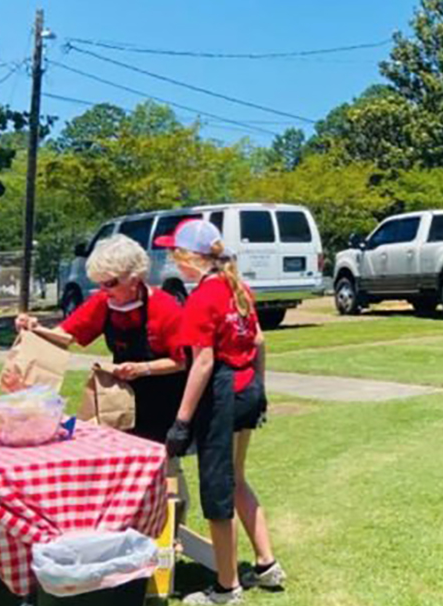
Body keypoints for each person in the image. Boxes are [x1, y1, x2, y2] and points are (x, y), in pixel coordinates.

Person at [158, 220, 282, 605]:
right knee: (237, 477)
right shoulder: (237, 287)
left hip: (224, 396)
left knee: (217, 489)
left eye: (175, 254)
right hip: (247, 390)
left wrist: (181, 421)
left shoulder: (202, 298)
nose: (172, 261)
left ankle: (226, 588)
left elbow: (203, 362)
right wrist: (260, 388)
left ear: (191, 258)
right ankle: (267, 564)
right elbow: (258, 340)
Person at [6, 234, 187, 443]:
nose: (104, 291)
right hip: (122, 397)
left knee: (165, 465)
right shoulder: (103, 302)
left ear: (135, 278)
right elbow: (63, 336)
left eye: (110, 283)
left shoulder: (165, 308)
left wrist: (144, 368)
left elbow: (183, 362)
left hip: (164, 397)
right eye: (100, 284)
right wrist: (34, 329)